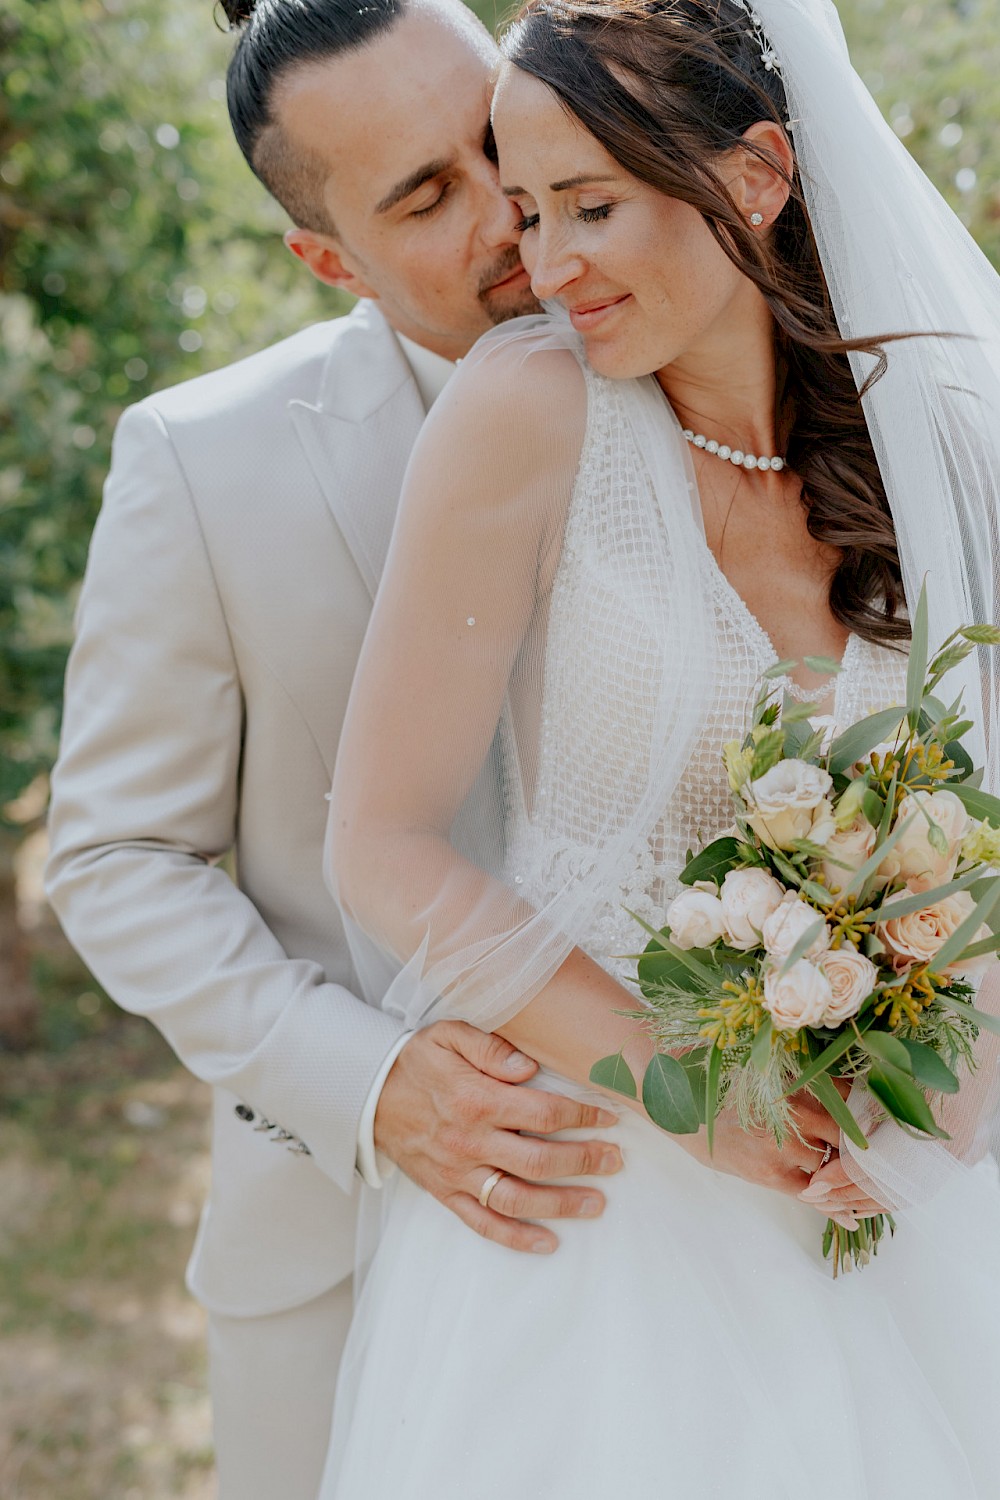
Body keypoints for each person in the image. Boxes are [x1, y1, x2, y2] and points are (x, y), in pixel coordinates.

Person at [321, 0, 1000, 1493]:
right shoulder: (530, 409)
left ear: (754, 176)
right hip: (599, 1190)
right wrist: (696, 1100)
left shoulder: (929, 443)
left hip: (876, 1169)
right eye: (529, 208)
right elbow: (378, 842)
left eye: (592, 205)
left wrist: (942, 1076)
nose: (544, 265)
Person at [43, 1, 639, 1495]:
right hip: (344, 1254)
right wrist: (372, 1084)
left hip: (688, 1215)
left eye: (495, 141)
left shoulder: (710, 390)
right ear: (330, 260)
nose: (511, 208)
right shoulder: (202, 460)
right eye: (424, 198)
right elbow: (119, 858)